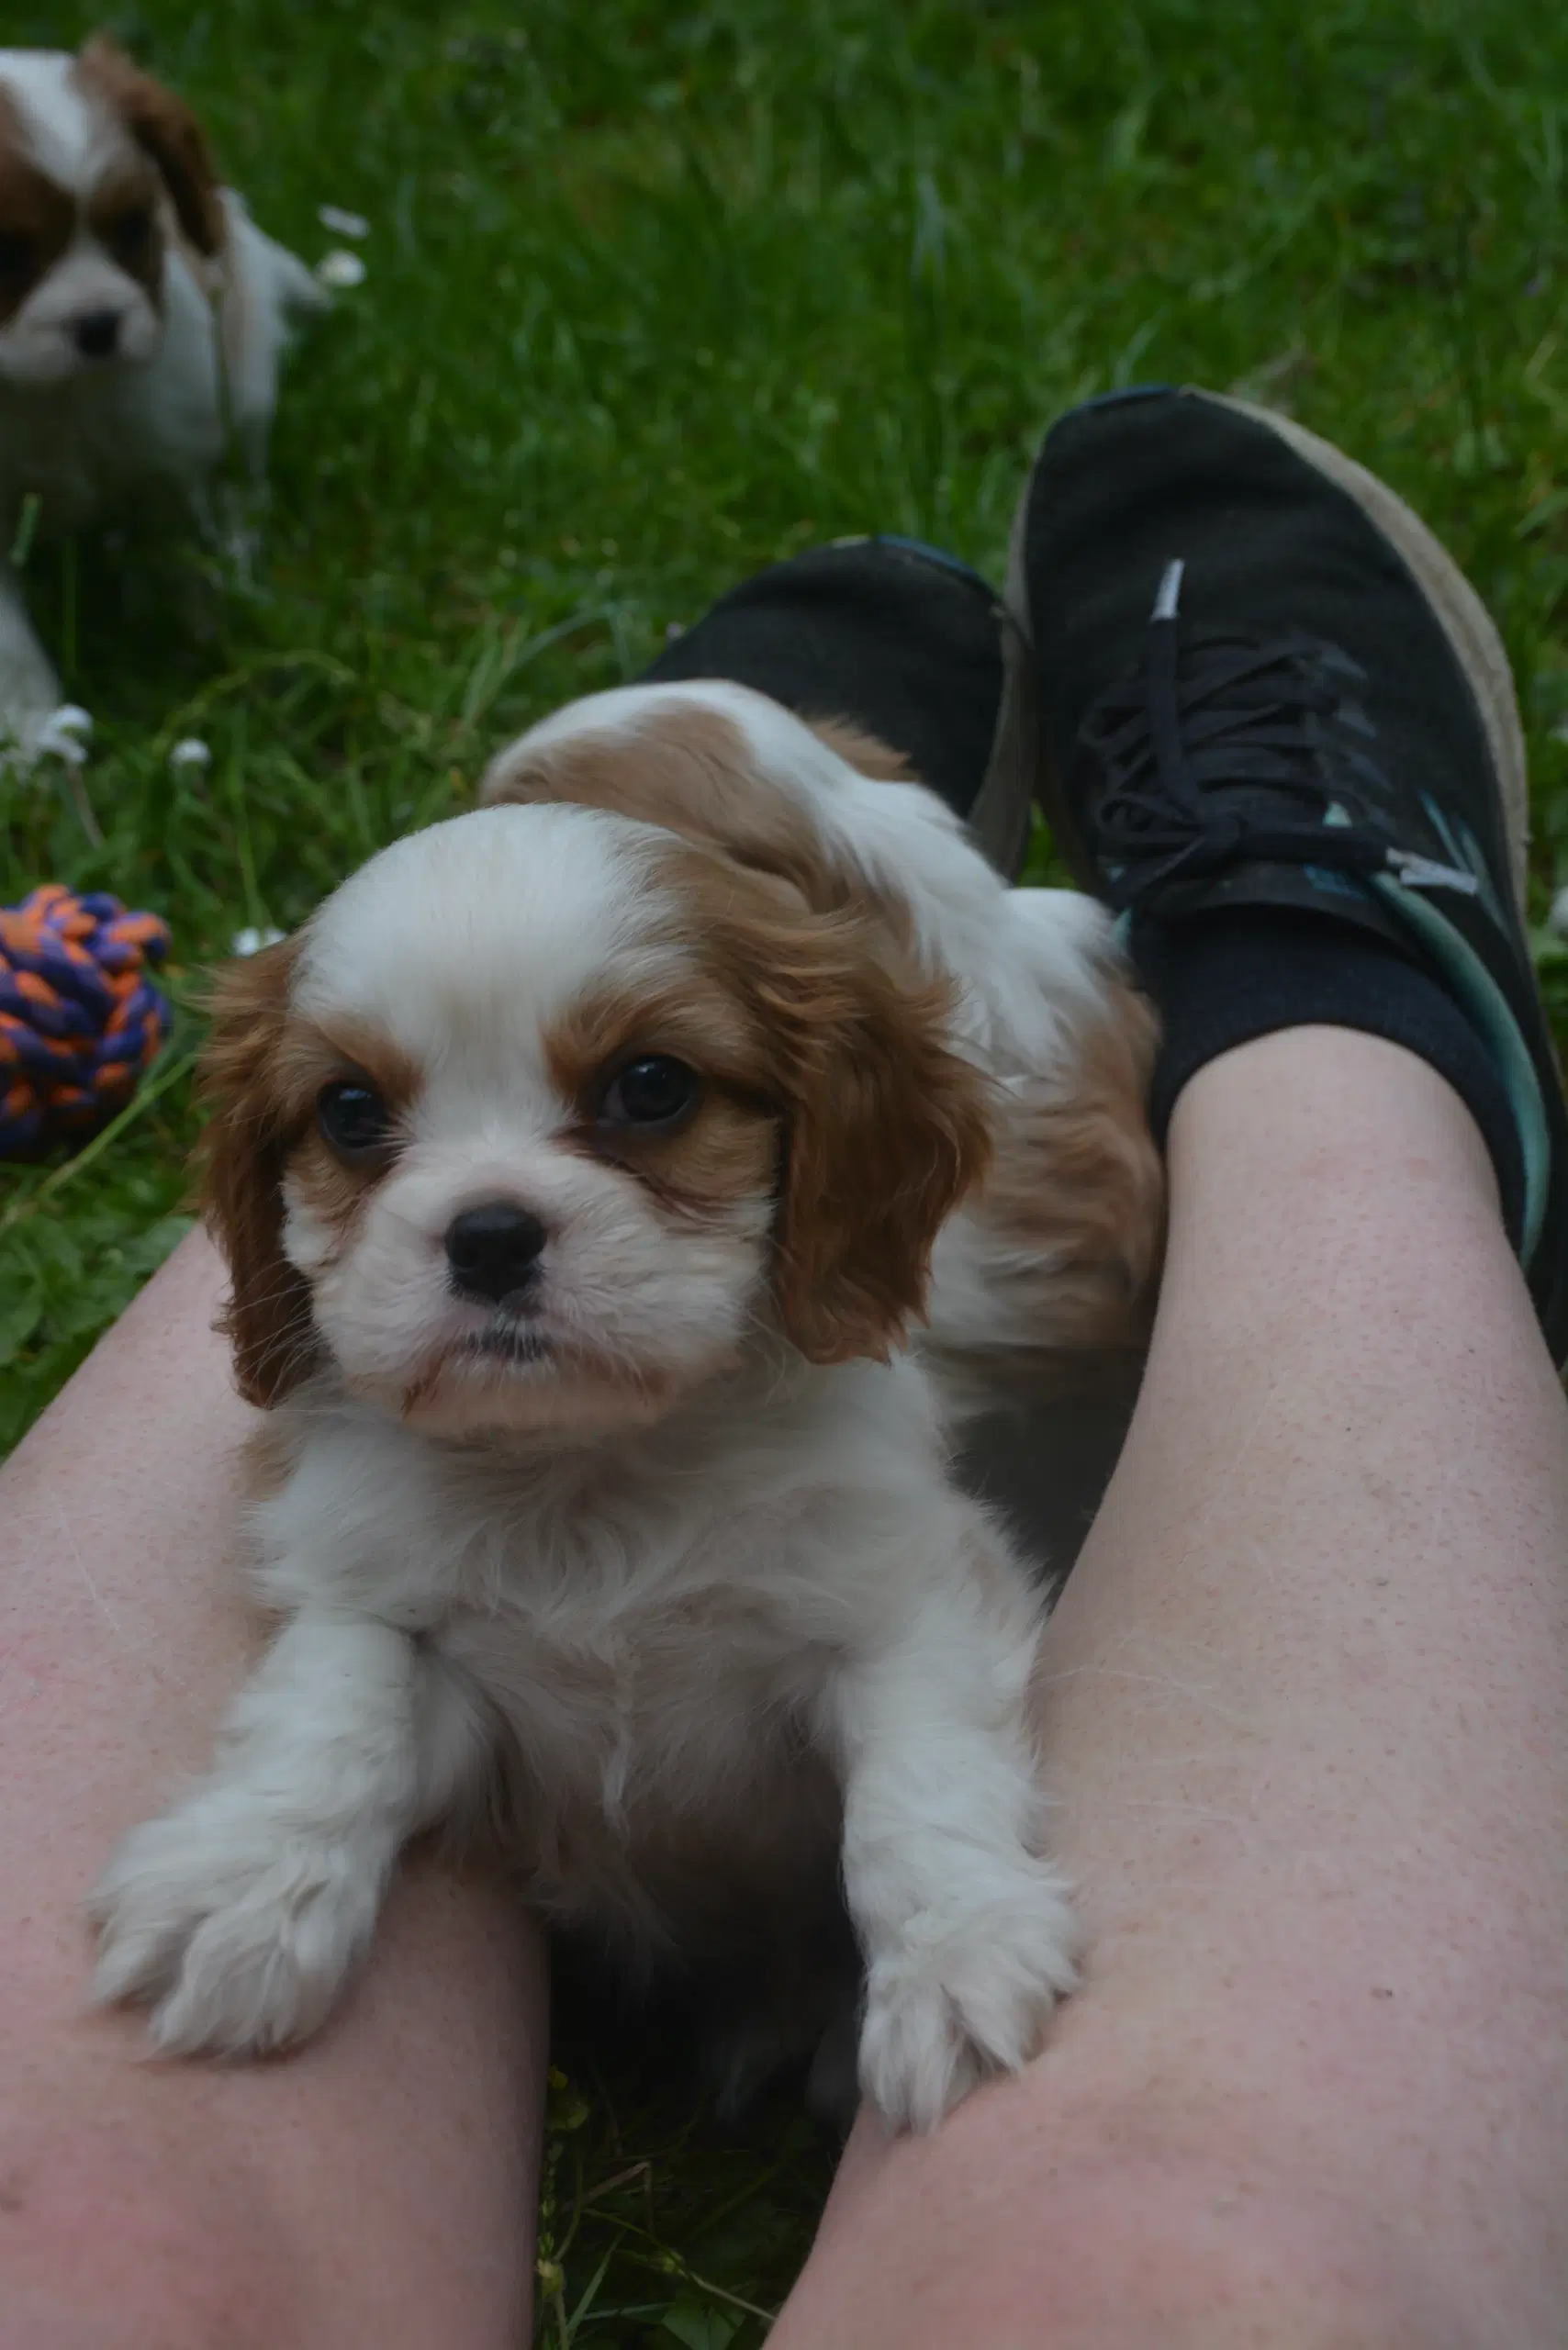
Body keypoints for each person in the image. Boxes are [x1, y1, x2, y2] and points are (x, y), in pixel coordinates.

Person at [3, 387, 1564, 2348]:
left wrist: (930, 1872)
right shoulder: (376, 1410)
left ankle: (1262, 990)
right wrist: (297, 1810)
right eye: (357, 1120)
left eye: (639, 1091)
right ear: (263, 1186)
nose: (483, 1208)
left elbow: (891, 1617)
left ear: (835, 1149)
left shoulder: (820, 1397)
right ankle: (1320, 1034)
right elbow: (372, 1629)